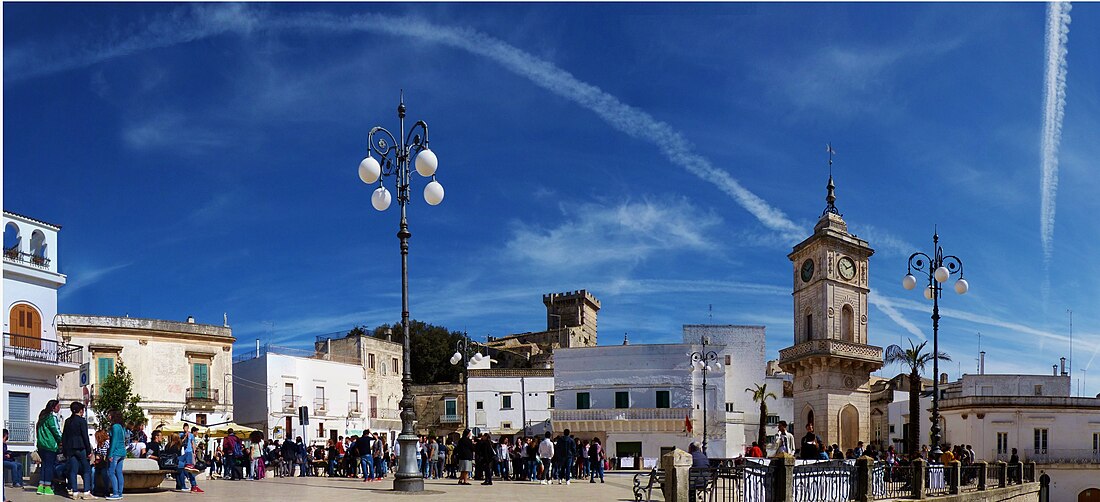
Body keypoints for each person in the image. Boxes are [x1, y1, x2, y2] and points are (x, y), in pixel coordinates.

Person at [61, 402, 94, 500]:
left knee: (73, 470)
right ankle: (87, 491)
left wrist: (65, 450)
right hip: (81, 447)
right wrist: (89, 450)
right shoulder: (82, 421)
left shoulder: (68, 421)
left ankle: (74, 492)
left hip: (70, 448)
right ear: (80, 410)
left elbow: (64, 437)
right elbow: (85, 436)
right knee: (86, 469)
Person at [34, 400, 63, 496]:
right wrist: (62, 441)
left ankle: (41, 486)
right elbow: (56, 431)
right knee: (49, 466)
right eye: (58, 406)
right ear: (53, 407)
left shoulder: (42, 417)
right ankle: (47, 486)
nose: (59, 408)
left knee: (44, 466)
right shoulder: (52, 417)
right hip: (50, 445)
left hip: (41, 445)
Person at [105, 411, 127, 501]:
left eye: (109, 415)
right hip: (122, 452)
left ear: (112, 416)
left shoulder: (114, 427)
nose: (108, 417)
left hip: (116, 452)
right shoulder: (122, 427)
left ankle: (115, 493)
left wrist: (110, 454)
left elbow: (113, 441)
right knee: (119, 472)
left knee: (111, 472)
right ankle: (119, 492)